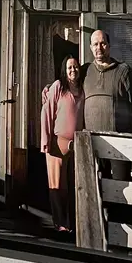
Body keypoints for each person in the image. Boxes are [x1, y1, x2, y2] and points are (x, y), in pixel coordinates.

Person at [80, 29, 132, 181]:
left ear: (109, 45)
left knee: (121, 188)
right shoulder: (85, 71)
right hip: (92, 143)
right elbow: (67, 87)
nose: (99, 48)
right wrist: (50, 88)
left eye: (102, 43)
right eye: (95, 44)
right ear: (90, 47)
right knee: (95, 189)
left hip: (119, 144)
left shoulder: (123, 71)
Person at [39, 56, 85, 233]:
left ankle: (70, 222)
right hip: (56, 143)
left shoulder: (82, 89)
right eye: (69, 68)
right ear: (64, 71)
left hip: (75, 146)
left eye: (75, 67)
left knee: (71, 186)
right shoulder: (58, 86)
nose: (73, 70)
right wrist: (45, 142)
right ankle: (60, 223)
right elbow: (46, 113)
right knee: (56, 185)